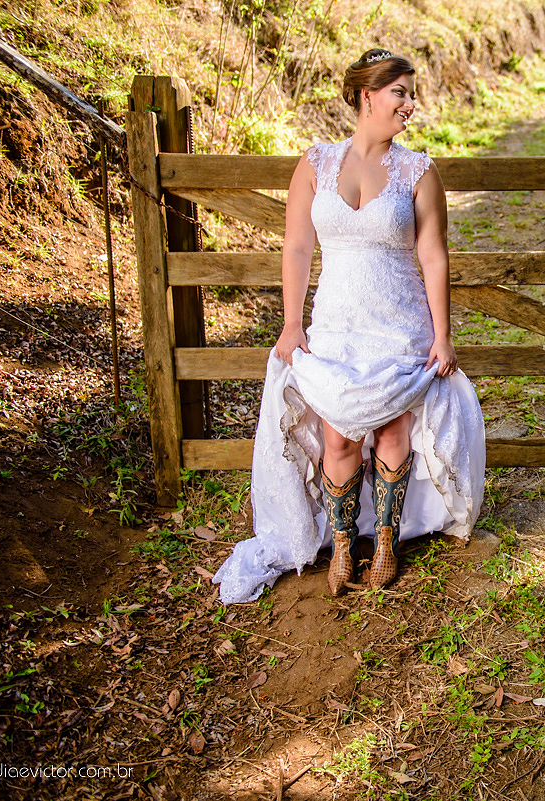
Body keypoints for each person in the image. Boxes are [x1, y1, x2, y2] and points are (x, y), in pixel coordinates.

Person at [213, 48, 486, 605]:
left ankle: (383, 540)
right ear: (367, 96)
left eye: (411, 93)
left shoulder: (419, 171)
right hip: (336, 322)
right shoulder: (315, 163)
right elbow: (295, 247)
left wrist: (442, 334)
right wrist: (292, 323)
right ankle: (341, 543)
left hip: (399, 322)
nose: (411, 105)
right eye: (401, 93)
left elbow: (434, 257)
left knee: (391, 428)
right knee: (337, 433)